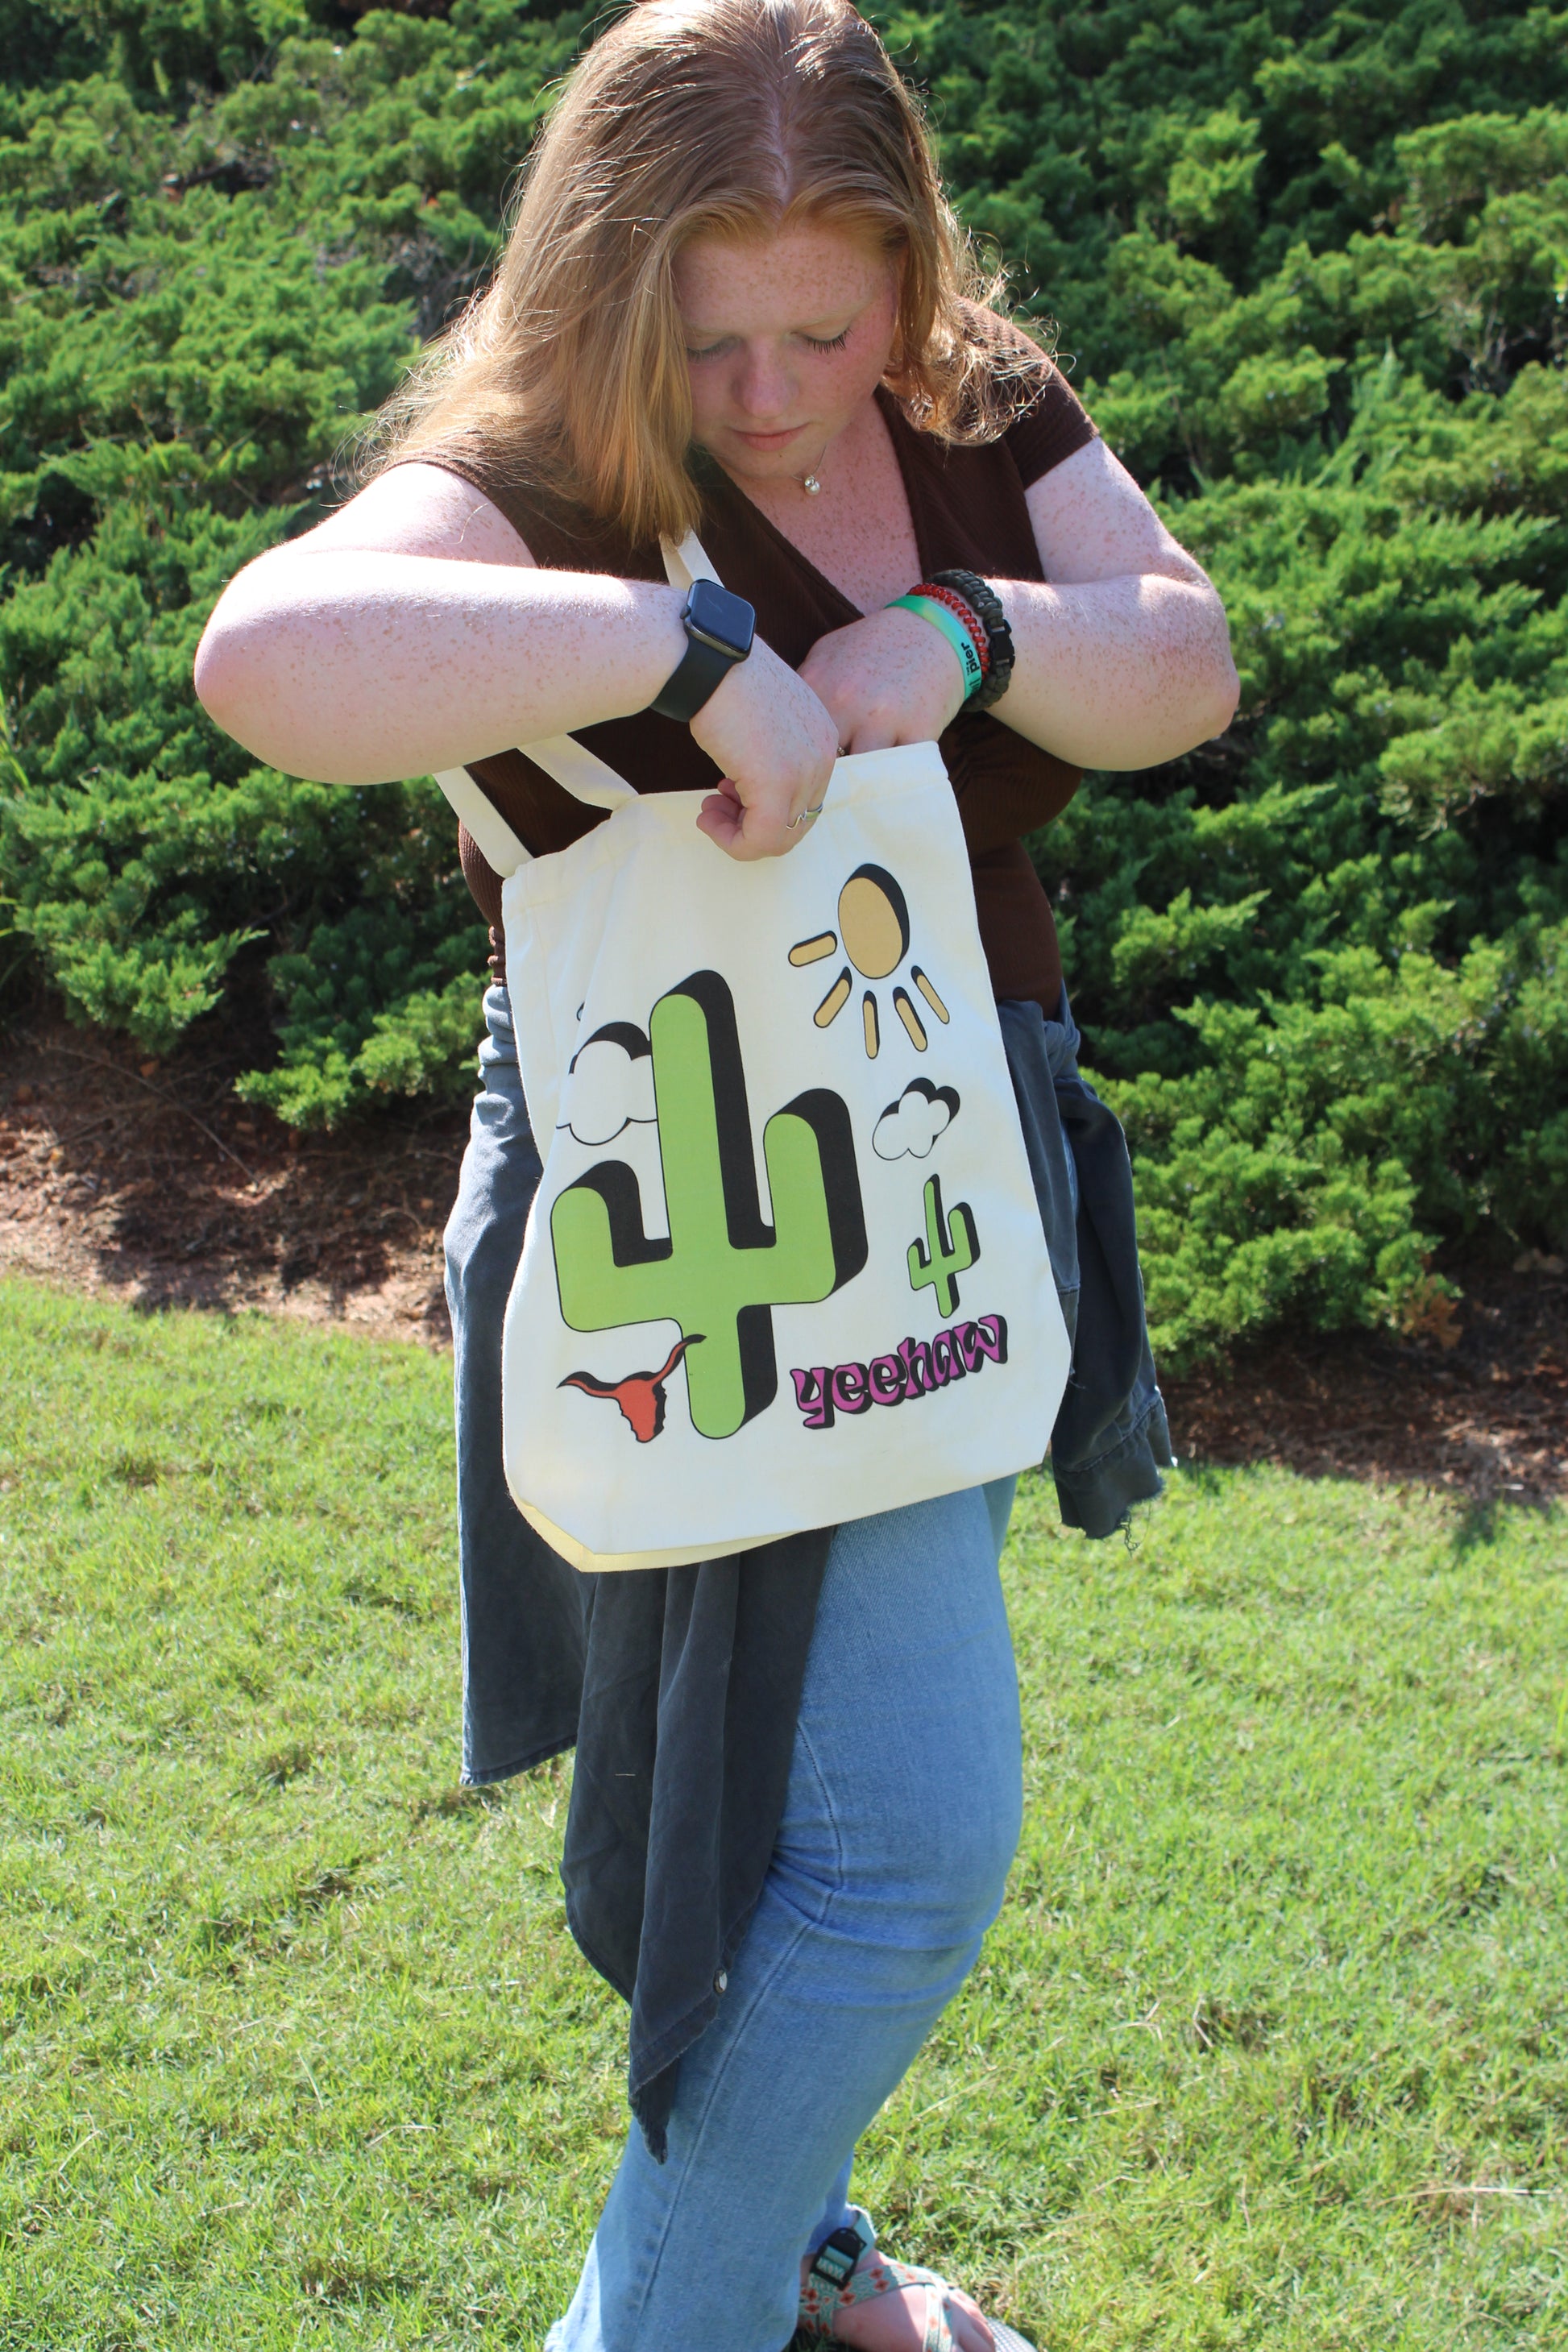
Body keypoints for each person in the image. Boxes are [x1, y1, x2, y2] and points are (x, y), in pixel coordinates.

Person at [194, 2, 1238, 2343]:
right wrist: (681, 643)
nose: (770, 390)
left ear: (906, 265)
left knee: (796, 1814)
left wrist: (964, 637)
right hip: (698, 1221)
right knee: (891, 1858)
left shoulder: (975, 399)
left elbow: (1181, 665)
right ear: (606, 280)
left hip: (953, 1168)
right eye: (710, 330)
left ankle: (803, 2251)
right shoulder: (551, 459)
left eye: (824, 325)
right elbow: (266, 660)